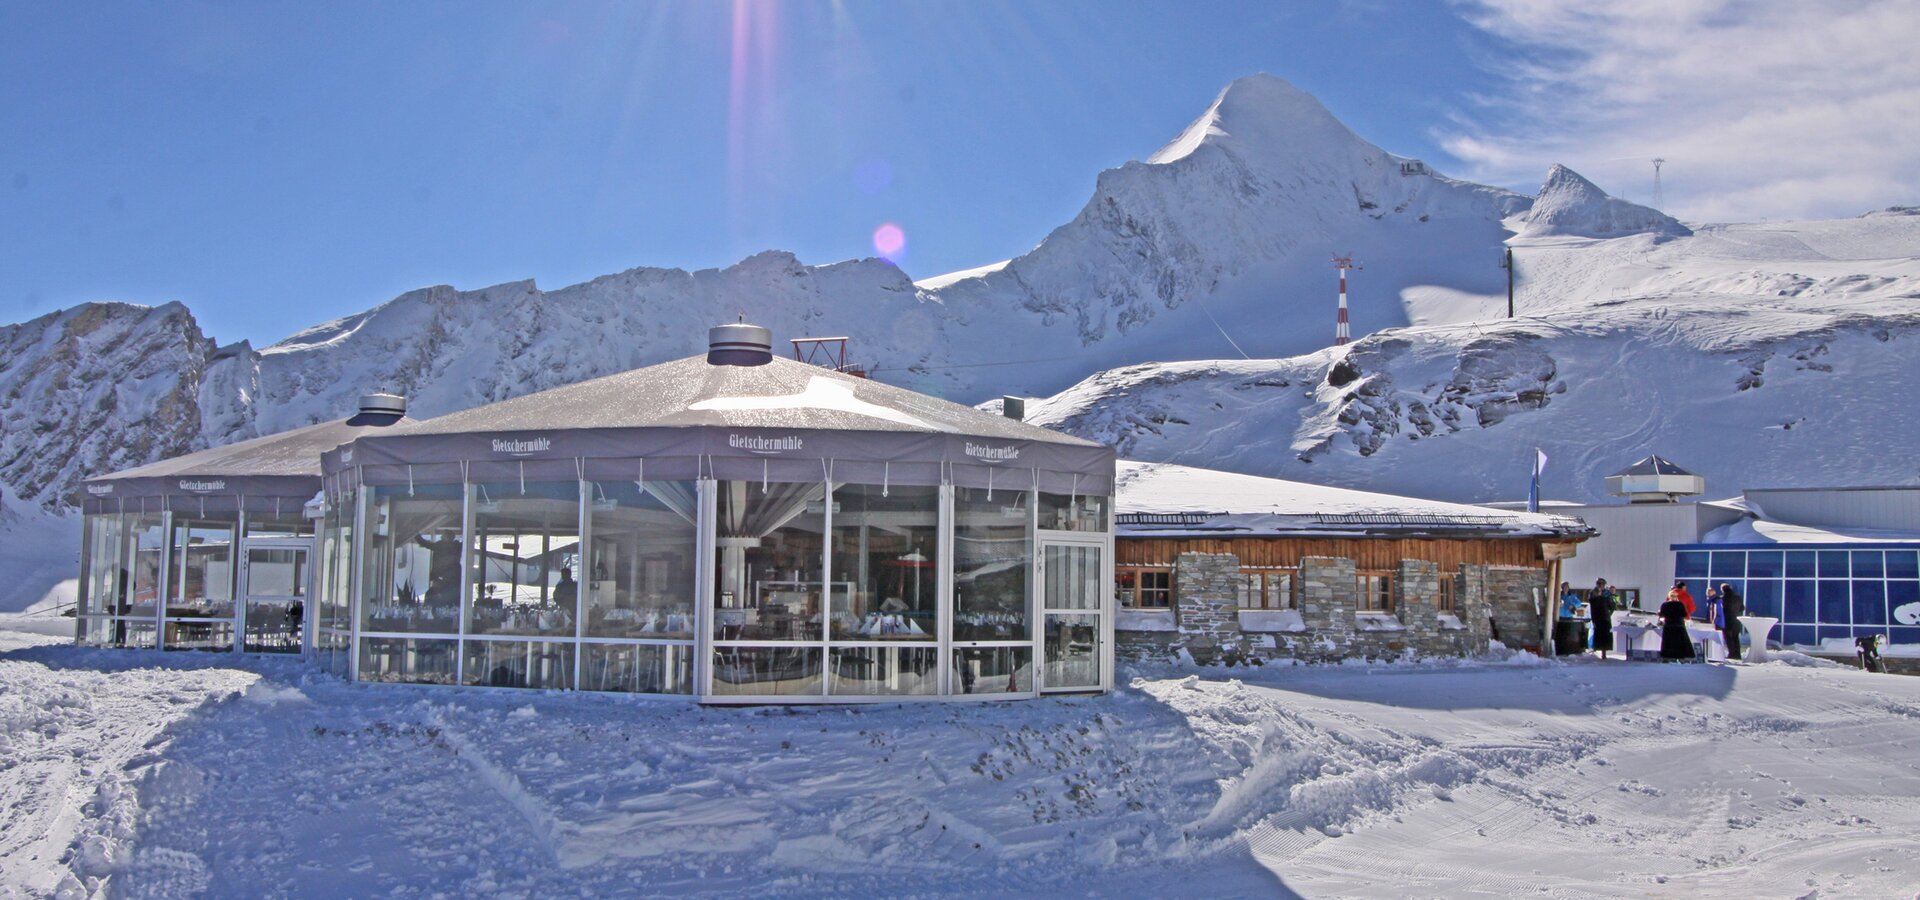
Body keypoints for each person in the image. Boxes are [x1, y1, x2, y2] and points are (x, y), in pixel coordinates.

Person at [1660, 581, 1696, 661]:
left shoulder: (1665, 604)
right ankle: (1681, 657)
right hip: (1679, 625)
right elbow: (1685, 613)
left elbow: (1661, 614)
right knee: (1681, 642)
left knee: (1668, 642)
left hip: (1668, 626)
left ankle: (1667, 657)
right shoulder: (1681, 603)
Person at [1589, 578, 1617, 659]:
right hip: (1597, 616)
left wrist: (1609, 613)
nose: (1601, 585)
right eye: (1599, 584)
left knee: (1606, 634)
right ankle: (1596, 649)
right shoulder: (1593, 592)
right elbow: (1592, 604)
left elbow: (1612, 605)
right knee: (1598, 633)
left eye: (1602, 584)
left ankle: (1604, 652)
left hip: (1605, 616)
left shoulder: (1607, 593)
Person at [1719, 582, 1745, 661]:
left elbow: (1721, 611)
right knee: (1736, 638)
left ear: (1723, 590)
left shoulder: (1722, 599)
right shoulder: (1738, 597)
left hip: (1727, 621)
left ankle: (1732, 654)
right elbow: (1742, 608)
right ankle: (1737, 655)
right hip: (1736, 621)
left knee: (1728, 638)